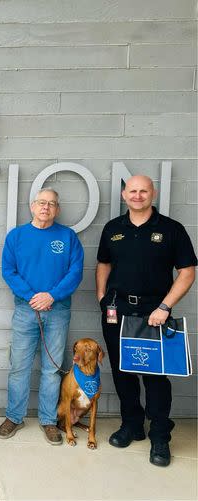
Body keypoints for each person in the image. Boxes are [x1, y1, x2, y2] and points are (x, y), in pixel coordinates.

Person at [96, 174, 196, 467]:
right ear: (124, 195)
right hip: (118, 312)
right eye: (132, 191)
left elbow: (188, 272)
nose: (137, 195)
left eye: (143, 191)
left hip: (155, 313)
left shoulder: (171, 229)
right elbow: (103, 263)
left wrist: (165, 306)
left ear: (153, 194)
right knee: (122, 371)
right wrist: (103, 296)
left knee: (155, 376)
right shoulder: (113, 228)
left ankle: (161, 435)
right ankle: (132, 425)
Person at [0, 188, 84, 445]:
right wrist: (32, 296)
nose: (46, 207)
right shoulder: (17, 236)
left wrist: (52, 296)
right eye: (42, 203)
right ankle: (14, 416)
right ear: (32, 206)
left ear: (57, 209)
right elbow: (8, 271)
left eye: (52, 204)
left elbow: (75, 272)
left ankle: (48, 420)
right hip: (26, 310)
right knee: (19, 367)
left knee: (52, 369)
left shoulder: (67, 237)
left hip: (57, 311)